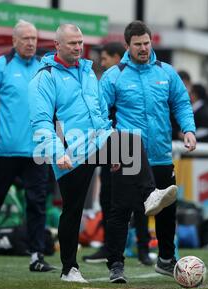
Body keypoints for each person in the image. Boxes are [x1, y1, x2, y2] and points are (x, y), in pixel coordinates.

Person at [28, 24, 178, 283]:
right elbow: (41, 121)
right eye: (72, 43)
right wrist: (56, 153)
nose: (78, 47)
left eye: (80, 42)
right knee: (72, 210)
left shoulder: (88, 72)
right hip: (70, 151)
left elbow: (99, 116)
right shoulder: (45, 77)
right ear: (57, 46)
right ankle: (69, 269)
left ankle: (149, 194)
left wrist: (113, 147)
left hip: (96, 143)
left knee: (130, 141)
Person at [100, 21, 197, 277]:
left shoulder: (166, 73)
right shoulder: (114, 75)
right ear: (127, 45)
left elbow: (182, 104)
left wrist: (188, 129)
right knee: (121, 210)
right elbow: (100, 116)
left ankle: (166, 259)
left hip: (161, 152)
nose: (143, 48)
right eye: (138, 45)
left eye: (146, 43)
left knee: (167, 209)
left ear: (151, 41)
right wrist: (112, 150)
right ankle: (116, 265)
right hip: (127, 153)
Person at [0, 20, 55, 272]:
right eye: (25, 38)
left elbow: (56, 106)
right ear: (14, 41)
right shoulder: (1, 66)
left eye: (34, 38)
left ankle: (36, 256)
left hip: (37, 150)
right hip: (4, 150)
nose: (31, 43)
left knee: (37, 204)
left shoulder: (45, 66)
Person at [82, 42, 154, 266]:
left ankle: (142, 248)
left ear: (115, 57)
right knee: (109, 200)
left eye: (104, 58)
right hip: (109, 146)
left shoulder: (123, 78)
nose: (102, 63)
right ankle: (110, 247)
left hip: (129, 147)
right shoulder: (108, 81)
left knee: (137, 200)